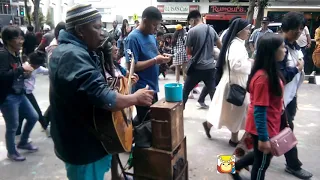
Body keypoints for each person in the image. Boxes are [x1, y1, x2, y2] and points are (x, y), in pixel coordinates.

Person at [49, 4, 154, 180]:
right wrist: (135, 98)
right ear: (80, 30)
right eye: (97, 27)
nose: (102, 32)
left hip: (89, 138)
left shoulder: (80, 50)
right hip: (81, 145)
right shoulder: (72, 55)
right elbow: (105, 97)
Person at [231, 33, 286, 180]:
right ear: (272, 51)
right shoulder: (263, 78)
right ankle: (232, 169)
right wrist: (263, 138)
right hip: (262, 127)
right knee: (262, 164)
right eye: (282, 47)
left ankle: (231, 168)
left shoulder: (271, 73)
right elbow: (259, 110)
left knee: (259, 156)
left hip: (269, 125)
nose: (285, 49)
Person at [204, 19, 253, 146]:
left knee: (228, 110)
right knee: (237, 110)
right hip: (235, 82)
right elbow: (235, 65)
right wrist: (250, 64)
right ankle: (234, 139)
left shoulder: (237, 43)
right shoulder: (236, 45)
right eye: (247, 29)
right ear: (239, 31)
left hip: (232, 81)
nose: (249, 32)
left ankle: (210, 124)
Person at [278, 12, 313, 179]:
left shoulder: (294, 46)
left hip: (289, 98)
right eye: (298, 29)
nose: (300, 32)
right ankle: (293, 165)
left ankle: (234, 164)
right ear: (290, 29)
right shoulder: (278, 47)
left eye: (301, 29)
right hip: (277, 100)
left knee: (259, 139)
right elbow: (280, 76)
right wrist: (297, 69)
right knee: (286, 130)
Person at [126, 6, 170, 125]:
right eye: (154, 25)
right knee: (147, 123)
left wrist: (162, 57)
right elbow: (131, 67)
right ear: (145, 21)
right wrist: (155, 60)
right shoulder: (132, 38)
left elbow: (155, 54)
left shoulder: (151, 36)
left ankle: (133, 133)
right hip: (142, 89)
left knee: (146, 119)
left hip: (153, 85)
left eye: (157, 26)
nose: (156, 29)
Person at [0, 25, 38, 161]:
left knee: (33, 117)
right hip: (8, 96)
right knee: (12, 125)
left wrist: (26, 74)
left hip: (19, 93)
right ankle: (12, 151)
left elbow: (16, 73)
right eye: (18, 38)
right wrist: (22, 69)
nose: (21, 41)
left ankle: (23, 142)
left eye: (22, 38)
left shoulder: (16, 53)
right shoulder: (3, 54)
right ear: (8, 40)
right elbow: (2, 75)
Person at [183, 10, 222, 109]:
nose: (190, 24)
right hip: (210, 68)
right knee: (213, 93)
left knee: (185, 91)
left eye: (190, 22)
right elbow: (220, 46)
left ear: (193, 20)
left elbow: (188, 52)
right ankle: (216, 116)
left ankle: (179, 113)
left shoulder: (192, 31)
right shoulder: (211, 29)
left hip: (196, 68)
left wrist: (196, 51)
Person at [16, 52, 49, 137]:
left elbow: (46, 71)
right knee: (35, 112)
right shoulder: (24, 67)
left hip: (28, 93)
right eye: (36, 65)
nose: (36, 67)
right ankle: (46, 128)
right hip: (23, 93)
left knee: (23, 113)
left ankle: (18, 131)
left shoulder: (37, 68)